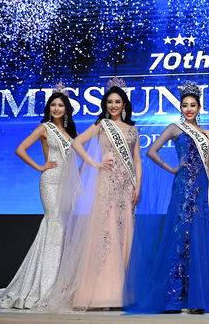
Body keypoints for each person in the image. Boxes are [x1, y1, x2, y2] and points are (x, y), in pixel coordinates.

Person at [0, 86, 77, 309]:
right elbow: (21, 149)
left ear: (66, 109)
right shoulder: (44, 128)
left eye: (60, 105)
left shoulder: (68, 133)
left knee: (60, 230)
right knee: (54, 225)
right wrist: (40, 167)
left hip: (66, 185)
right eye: (53, 105)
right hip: (50, 182)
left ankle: (56, 284)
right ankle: (45, 287)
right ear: (49, 108)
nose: (56, 108)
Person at [42, 77, 142, 311]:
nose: (113, 105)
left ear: (124, 105)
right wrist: (95, 163)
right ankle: (100, 293)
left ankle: (120, 293)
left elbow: (137, 160)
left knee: (123, 235)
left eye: (117, 102)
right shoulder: (101, 125)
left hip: (126, 187)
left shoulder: (133, 130)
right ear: (105, 105)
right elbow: (77, 143)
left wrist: (138, 185)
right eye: (110, 102)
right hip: (105, 186)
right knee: (105, 235)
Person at [124, 81, 209, 313]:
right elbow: (151, 150)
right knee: (178, 236)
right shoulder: (175, 128)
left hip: (201, 188)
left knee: (198, 238)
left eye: (193, 105)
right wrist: (172, 168)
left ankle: (196, 299)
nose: (189, 109)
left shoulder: (208, 134)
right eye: (185, 105)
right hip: (183, 187)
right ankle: (173, 298)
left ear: (199, 107)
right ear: (180, 107)